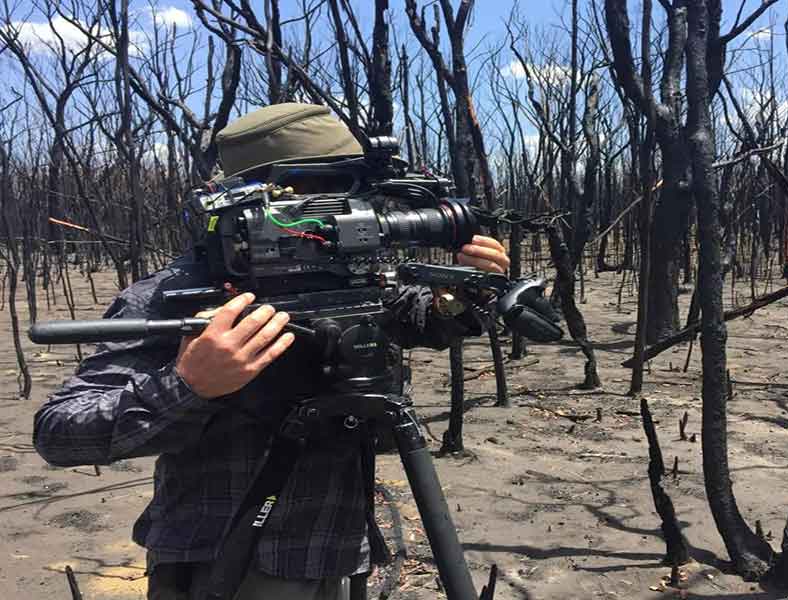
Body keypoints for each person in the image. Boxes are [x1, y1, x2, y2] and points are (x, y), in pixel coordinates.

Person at [32, 103, 510, 600]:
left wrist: (463, 293)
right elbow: (60, 434)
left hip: (339, 548)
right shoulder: (177, 296)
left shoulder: (350, 274)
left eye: (352, 192)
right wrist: (188, 385)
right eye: (322, 192)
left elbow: (415, 318)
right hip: (227, 563)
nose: (343, 213)